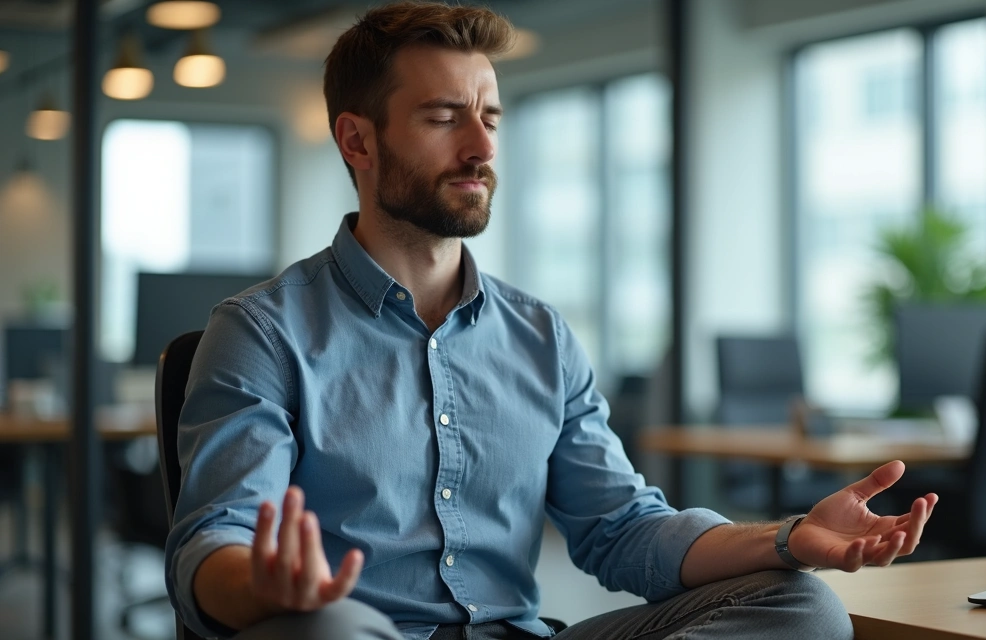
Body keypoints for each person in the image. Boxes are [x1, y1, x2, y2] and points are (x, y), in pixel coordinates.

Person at [164, 3, 939, 639]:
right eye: (443, 118)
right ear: (357, 140)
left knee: (801, 607)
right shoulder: (262, 332)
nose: (481, 148)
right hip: (362, 633)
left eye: (490, 118)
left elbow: (622, 530)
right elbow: (212, 542)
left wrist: (786, 537)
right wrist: (264, 585)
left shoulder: (540, 336)